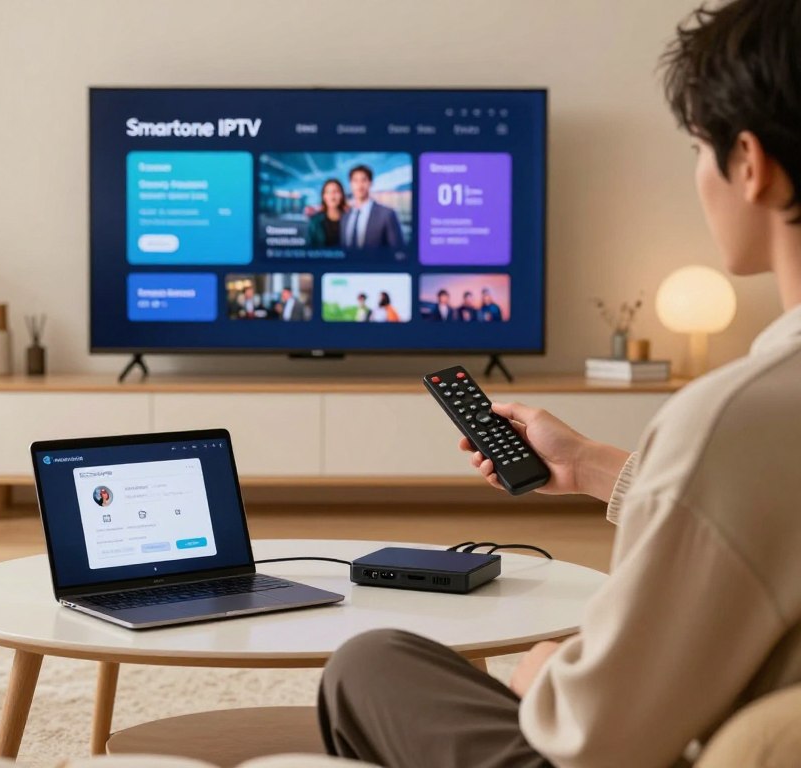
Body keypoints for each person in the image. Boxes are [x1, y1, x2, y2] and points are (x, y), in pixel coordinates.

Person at [318, 2, 801, 767]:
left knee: (367, 663)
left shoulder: (736, 417)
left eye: (698, 148)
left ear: (749, 162)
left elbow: (597, 735)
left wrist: (541, 672)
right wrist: (587, 465)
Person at [341, 164, 405, 249]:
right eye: (355, 181)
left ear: (371, 183)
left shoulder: (387, 214)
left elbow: (398, 250)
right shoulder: (345, 217)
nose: (359, 185)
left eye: (364, 180)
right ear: (350, 184)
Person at [307, 179, 348, 248]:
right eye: (328, 192)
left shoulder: (350, 219)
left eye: (336, 191)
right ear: (324, 196)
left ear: (342, 195)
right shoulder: (315, 221)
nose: (332, 195)